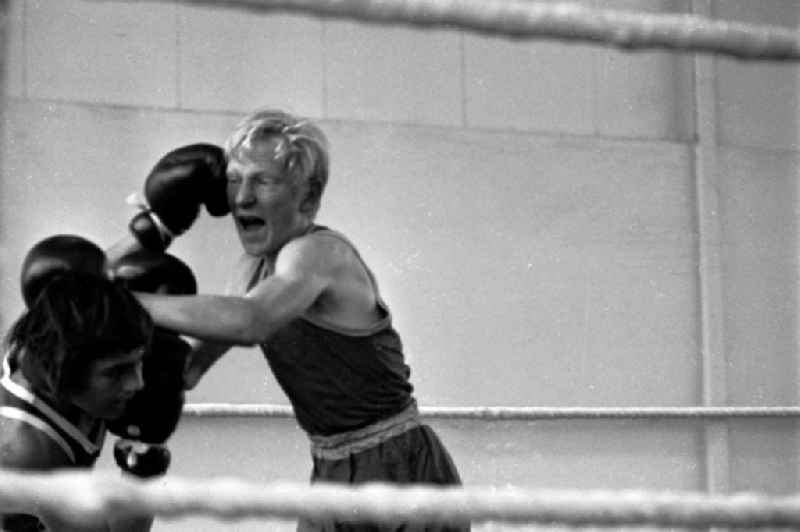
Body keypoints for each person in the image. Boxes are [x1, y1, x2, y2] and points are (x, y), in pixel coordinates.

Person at [109, 109, 469, 531]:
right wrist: (152, 229)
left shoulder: (318, 254)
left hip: (400, 468)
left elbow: (251, 321)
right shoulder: (252, 270)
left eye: (263, 180)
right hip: (331, 470)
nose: (242, 197)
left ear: (308, 199)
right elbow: (189, 369)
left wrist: (127, 303)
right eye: (234, 179)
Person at [0, 235, 155, 532]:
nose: (137, 383)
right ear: (66, 371)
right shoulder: (31, 455)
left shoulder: (53, 327)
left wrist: (155, 227)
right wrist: (144, 473)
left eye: (139, 363)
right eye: (117, 372)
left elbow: (82, 280)